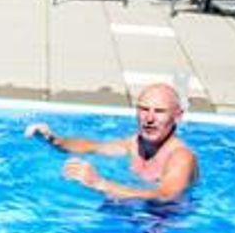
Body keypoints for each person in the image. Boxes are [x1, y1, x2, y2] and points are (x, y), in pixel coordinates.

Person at [27, 81, 198, 203]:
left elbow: (166, 195)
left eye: (159, 111)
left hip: (164, 223)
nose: (149, 118)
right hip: (133, 211)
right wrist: (53, 139)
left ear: (177, 116)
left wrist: (99, 183)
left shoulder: (181, 156)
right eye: (144, 109)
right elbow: (91, 147)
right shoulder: (134, 144)